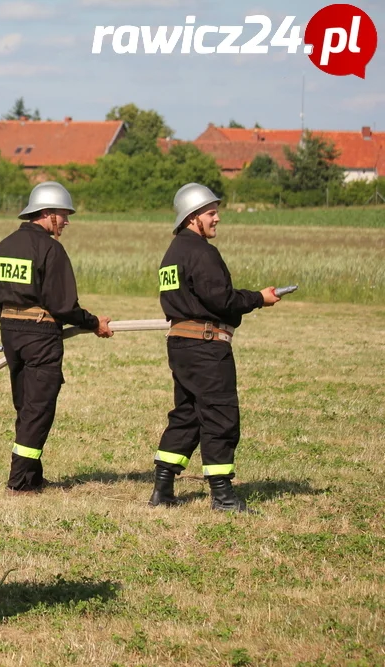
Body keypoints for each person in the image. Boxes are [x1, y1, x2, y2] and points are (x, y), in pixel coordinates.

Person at [150, 183, 280, 513]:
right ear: (193, 217)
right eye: (211, 212)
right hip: (206, 346)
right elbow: (220, 299)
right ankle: (222, 496)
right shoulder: (201, 252)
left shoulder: (172, 253)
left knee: (188, 414)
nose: (217, 218)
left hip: (181, 344)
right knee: (220, 415)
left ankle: (162, 489)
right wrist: (258, 299)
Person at [0, 182, 113, 495]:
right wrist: (94, 322)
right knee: (39, 408)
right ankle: (19, 483)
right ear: (46, 213)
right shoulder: (50, 249)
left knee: (26, 405)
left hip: (10, 332)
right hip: (40, 335)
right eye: (63, 214)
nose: (67, 222)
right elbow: (63, 305)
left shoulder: (4, 245)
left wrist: (13, 325)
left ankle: (31, 477)